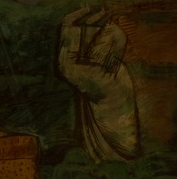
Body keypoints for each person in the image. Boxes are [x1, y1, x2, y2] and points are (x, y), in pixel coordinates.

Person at [57, 7, 141, 162]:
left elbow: (66, 68)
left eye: (94, 43)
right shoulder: (118, 71)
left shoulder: (103, 78)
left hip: (117, 153)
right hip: (124, 148)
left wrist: (68, 24)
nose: (89, 47)